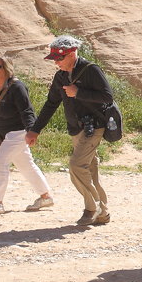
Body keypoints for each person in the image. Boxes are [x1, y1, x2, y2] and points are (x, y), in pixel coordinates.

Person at [26, 35, 114, 226]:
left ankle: (92, 208)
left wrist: (79, 93)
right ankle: (102, 214)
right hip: (76, 129)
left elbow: (107, 96)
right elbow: (51, 104)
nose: (57, 62)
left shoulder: (91, 70)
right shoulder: (60, 77)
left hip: (94, 127)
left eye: (60, 58)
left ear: (72, 53)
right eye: (55, 59)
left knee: (76, 166)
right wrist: (35, 130)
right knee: (89, 171)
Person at [0, 55, 53, 215]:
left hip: (19, 132)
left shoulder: (17, 87)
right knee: (26, 165)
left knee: (0, 161)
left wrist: (31, 131)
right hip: (2, 132)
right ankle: (46, 196)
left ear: (7, 69)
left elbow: (27, 111)